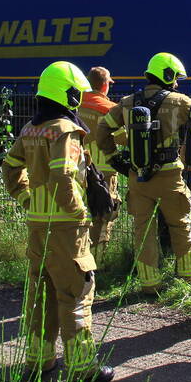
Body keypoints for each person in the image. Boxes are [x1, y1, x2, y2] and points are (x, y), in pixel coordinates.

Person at [1, 61, 114, 382]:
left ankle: (40, 360)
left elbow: (10, 168)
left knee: (42, 294)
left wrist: (27, 199)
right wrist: (79, 213)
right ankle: (82, 367)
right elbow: (63, 176)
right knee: (76, 293)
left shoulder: (30, 128)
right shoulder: (65, 130)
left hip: (38, 223)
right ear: (67, 93)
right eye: (76, 92)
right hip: (66, 226)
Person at [94, 53, 191, 294]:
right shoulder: (179, 101)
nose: (176, 83)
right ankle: (188, 277)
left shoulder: (128, 102)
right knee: (181, 224)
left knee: (143, 231)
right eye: (175, 78)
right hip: (169, 175)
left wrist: (114, 158)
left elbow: (102, 129)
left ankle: (149, 283)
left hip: (137, 176)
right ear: (167, 75)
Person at [77, 66, 119, 267]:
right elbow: (123, 138)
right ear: (105, 85)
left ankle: (79, 255)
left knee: (80, 213)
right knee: (103, 216)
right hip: (104, 173)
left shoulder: (76, 106)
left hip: (79, 170)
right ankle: (98, 263)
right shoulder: (110, 109)